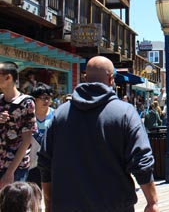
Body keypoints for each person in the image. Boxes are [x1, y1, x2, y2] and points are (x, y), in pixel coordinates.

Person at [38, 56, 158, 212]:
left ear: (85, 78)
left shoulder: (60, 114)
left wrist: (49, 204)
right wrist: (152, 201)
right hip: (114, 204)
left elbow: (45, 162)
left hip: (67, 204)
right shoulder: (125, 113)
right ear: (111, 79)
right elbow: (141, 161)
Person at [0, 61, 36, 189]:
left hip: (16, 168)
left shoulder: (26, 103)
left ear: (8, 77)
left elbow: (27, 140)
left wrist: (10, 172)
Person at [27, 83, 55, 188]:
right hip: (31, 162)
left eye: (48, 98)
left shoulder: (55, 115)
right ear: (35, 99)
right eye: (43, 98)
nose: (46, 101)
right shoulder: (28, 115)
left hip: (49, 162)